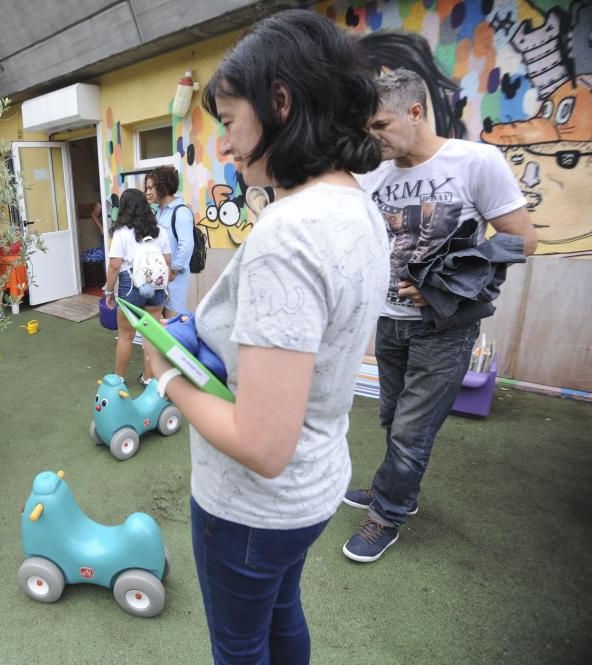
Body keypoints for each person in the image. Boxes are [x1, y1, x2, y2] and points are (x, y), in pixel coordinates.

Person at [143, 10, 388, 663]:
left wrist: (164, 374)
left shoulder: (289, 231)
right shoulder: (357, 204)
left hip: (253, 507)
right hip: (317, 483)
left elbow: (262, 444)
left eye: (229, 121)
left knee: (239, 644)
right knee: (282, 613)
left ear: (279, 103)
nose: (223, 145)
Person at [342, 67, 538, 563]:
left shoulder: (476, 162)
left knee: (412, 429)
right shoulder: (374, 173)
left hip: (445, 328)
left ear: (415, 111)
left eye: (381, 125)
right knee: (391, 418)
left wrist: (445, 287)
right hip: (388, 320)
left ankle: (386, 514)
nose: (374, 137)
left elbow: (522, 240)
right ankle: (395, 487)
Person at [103, 188, 171, 385]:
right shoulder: (160, 231)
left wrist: (109, 291)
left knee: (126, 336)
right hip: (156, 287)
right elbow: (167, 262)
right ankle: (149, 378)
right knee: (151, 334)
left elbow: (115, 266)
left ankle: (118, 380)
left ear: (124, 208)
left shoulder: (121, 233)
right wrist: (163, 287)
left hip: (131, 285)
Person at [146, 165, 195, 317]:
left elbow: (186, 245)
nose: (147, 192)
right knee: (158, 326)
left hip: (174, 279)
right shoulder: (157, 212)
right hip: (158, 277)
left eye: (151, 188)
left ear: (164, 187)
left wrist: (173, 271)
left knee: (172, 325)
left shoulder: (181, 212)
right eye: (146, 188)